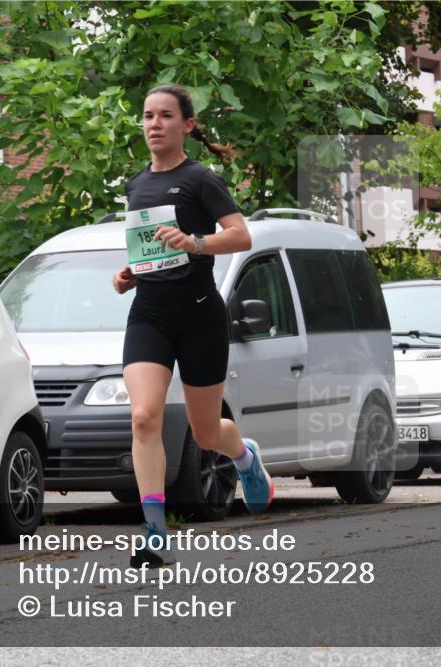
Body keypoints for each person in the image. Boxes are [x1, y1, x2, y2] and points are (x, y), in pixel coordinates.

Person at [112, 84, 272, 567]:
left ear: (188, 125)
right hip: (150, 314)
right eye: (147, 116)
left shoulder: (201, 179)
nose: (154, 124)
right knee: (144, 417)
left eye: (165, 116)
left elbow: (241, 235)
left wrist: (195, 243)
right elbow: (150, 252)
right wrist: (128, 274)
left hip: (200, 315)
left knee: (205, 435)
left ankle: (243, 456)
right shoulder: (136, 185)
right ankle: (155, 529)